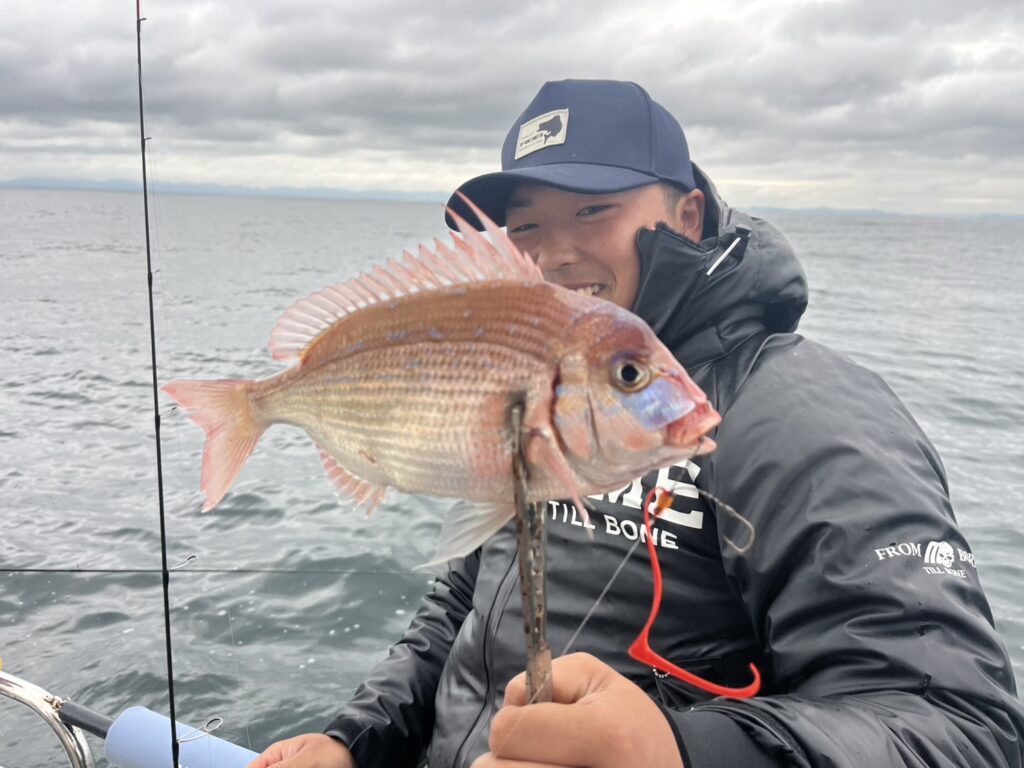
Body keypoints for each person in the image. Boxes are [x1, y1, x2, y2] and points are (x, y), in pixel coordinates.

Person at [248, 80, 1024, 767]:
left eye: (593, 210)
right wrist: (357, 740)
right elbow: (466, 608)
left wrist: (683, 752)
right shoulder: (539, 390)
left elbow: (962, 728)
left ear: (686, 215)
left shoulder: (804, 413)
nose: (555, 256)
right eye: (525, 228)